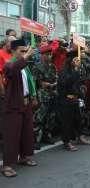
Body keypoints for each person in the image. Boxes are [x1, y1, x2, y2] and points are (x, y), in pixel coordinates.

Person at [1, 39, 37, 177]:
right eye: (21, 51)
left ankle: (23, 157)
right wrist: (26, 56)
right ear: (14, 51)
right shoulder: (9, 64)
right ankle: (7, 165)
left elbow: (29, 82)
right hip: (13, 105)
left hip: (25, 103)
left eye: (25, 51)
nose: (24, 53)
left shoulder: (24, 66)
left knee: (26, 132)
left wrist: (33, 96)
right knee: (11, 135)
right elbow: (10, 70)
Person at [57, 54, 90, 151]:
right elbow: (65, 84)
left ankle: (80, 137)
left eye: (78, 59)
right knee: (67, 122)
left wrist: (80, 95)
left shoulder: (75, 71)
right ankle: (67, 142)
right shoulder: (63, 72)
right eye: (76, 59)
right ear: (70, 61)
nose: (78, 61)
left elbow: (78, 84)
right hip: (66, 99)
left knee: (78, 119)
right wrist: (76, 71)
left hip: (75, 99)